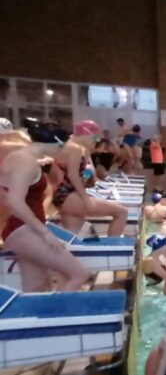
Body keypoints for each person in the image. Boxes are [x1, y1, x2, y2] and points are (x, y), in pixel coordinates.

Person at [0, 125, 92, 291]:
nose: (62, 153)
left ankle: (39, 307)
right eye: (62, 147)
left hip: (22, 230)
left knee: (37, 287)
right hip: (23, 230)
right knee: (78, 274)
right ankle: (61, 307)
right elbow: (15, 201)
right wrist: (45, 233)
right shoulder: (26, 162)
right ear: (56, 144)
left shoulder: (22, 157)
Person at [52, 120, 129, 237]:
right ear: (85, 134)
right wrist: (86, 199)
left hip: (62, 195)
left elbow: (82, 174)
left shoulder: (69, 146)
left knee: (74, 235)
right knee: (121, 212)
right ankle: (113, 246)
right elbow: (73, 176)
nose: (97, 141)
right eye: (95, 138)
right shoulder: (75, 149)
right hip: (66, 195)